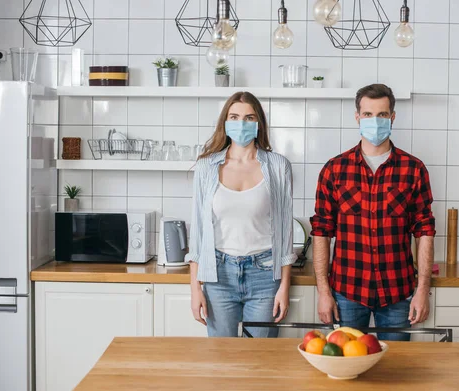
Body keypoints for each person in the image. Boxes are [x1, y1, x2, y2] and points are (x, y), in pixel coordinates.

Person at [310, 83, 436, 341]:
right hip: (347, 293)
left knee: (396, 368)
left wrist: (423, 289)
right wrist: (324, 292)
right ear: (357, 117)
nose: (375, 121)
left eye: (382, 114)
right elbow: (322, 232)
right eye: (368, 114)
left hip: (398, 293)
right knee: (347, 366)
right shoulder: (334, 170)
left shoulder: (414, 169)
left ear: (392, 117)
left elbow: (424, 232)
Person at [186, 91, 297, 338]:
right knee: (221, 359)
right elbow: (198, 232)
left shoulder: (278, 166)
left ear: (259, 124)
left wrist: (283, 287)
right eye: (234, 117)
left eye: (249, 118)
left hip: (265, 275)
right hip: (219, 275)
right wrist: (195, 289)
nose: (241, 124)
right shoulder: (206, 166)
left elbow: (285, 231)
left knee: (258, 360)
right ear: (225, 123)